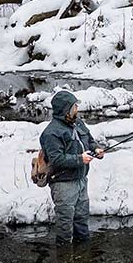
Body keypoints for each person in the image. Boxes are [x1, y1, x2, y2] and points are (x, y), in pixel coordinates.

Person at [40, 89, 105, 243]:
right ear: (65, 110)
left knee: (82, 221)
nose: (77, 109)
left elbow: (89, 140)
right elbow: (56, 159)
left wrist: (96, 149)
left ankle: (82, 256)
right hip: (63, 184)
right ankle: (64, 260)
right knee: (65, 225)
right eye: (74, 106)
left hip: (81, 180)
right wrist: (79, 159)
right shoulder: (51, 133)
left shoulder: (79, 123)